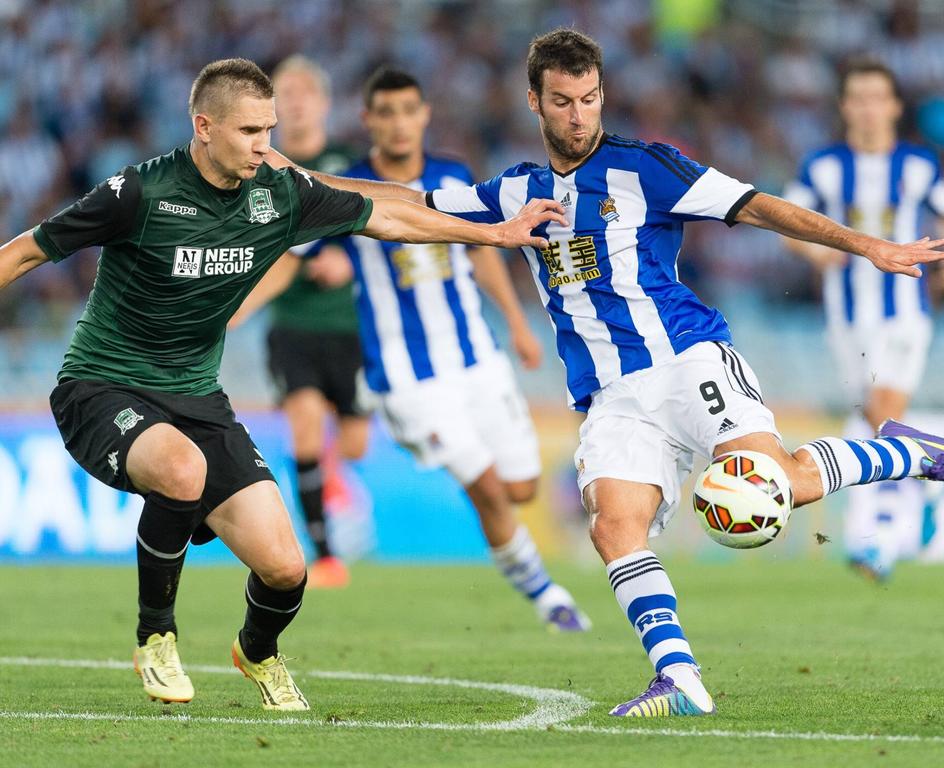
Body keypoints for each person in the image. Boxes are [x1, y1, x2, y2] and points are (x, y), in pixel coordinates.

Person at [290, 29, 944, 718]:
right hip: (611, 398)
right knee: (613, 525)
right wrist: (304, 178)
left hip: (687, 360)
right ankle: (678, 677)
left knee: (780, 488)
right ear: (534, 101)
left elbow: (758, 205)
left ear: (603, 96)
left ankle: (914, 451)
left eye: (590, 99)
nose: (578, 115)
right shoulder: (515, 191)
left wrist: (864, 244)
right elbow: (409, 203)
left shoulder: (647, 167)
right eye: (562, 101)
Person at [0, 58, 564, 711]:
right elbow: (27, 251)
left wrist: (491, 235)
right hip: (102, 386)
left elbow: (387, 214)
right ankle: (155, 637)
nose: (265, 145)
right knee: (182, 470)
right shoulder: (140, 194)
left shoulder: (278, 192)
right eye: (248, 131)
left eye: (269, 129)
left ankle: (258, 651)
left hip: (196, 397)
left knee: (285, 569)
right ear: (203, 126)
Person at [236, 66, 590, 632]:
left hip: (477, 358)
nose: (399, 124)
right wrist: (233, 313)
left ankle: (529, 572)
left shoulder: (453, 176)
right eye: (387, 113)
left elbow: (482, 254)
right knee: (487, 486)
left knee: (519, 486)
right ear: (368, 121)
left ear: (424, 115)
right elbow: (291, 261)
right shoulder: (348, 187)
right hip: (408, 377)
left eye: (409, 111)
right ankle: (547, 594)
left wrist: (518, 325)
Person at [782, 59, 944, 581]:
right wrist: (815, 255)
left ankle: (881, 541)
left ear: (893, 107)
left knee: (883, 417)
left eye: (876, 98)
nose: (867, 108)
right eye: (857, 97)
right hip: (845, 319)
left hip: (905, 311)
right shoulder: (822, 166)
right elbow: (787, 222)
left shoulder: (917, 165)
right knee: (873, 423)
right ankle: (927, 477)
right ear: (845, 107)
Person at [262, 55, 362, 589]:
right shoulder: (260, 169)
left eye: (305, 91)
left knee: (354, 444)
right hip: (293, 323)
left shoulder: (349, 162)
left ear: (323, 102)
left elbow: (386, 229)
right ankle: (323, 554)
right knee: (303, 422)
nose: (296, 101)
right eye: (286, 92)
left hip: (351, 326)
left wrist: (349, 261)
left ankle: (327, 472)